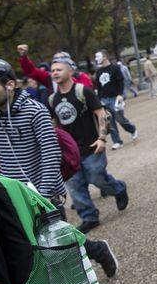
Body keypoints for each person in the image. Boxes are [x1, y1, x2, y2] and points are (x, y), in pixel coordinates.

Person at [0, 59, 119, 278]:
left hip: (41, 193)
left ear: (10, 84)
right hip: (11, 196)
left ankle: (97, 251)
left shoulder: (35, 111)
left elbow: (50, 154)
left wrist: (43, 194)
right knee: (31, 248)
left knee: (58, 242)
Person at [48, 56, 129, 233]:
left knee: (96, 177)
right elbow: (53, 125)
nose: (55, 73)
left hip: (92, 147)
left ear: (70, 71)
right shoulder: (52, 99)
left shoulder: (83, 91)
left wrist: (102, 138)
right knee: (75, 186)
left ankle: (119, 188)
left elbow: (103, 114)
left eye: (59, 69)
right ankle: (89, 217)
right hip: (70, 152)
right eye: (53, 70)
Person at [94, 50, 138, 150]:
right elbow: (98, 86)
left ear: (105, 56)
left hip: (115, 98)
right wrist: (99, 100)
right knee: (109, 122)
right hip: (104, 99)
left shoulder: (115, 68)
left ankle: (132, 129)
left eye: (98, 56)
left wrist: (120, 94)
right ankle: (117, 141)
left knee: (120, 119)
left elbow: (120, 82)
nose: (96, 59)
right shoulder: (99, 71)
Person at [16, 44, 93, 90]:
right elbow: (31, 71)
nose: (57, 63)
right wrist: (24, 57)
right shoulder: (50, 78)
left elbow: (90, 97)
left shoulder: (81, 77)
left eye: (61, 61)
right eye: (55, 61)